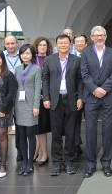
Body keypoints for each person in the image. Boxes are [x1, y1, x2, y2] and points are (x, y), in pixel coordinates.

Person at [43, 34, 84, 176]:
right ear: (56, 45)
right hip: (55, 100)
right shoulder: (49, 60)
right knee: (56, 133)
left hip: (71, 99)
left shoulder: (77, 60)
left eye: (66, 43)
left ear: (70, 44)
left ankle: (69, 161)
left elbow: (80, 80)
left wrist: (80, 98)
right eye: (60, 43)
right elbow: (45, 79)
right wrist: (46, 98)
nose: (63, 45)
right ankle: (56, 162)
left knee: (71, 133)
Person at [81, 26, 112, 178]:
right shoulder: (85, 52)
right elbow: (84, 73)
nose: (99, 38)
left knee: (108, 130)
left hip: (108, 96)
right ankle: (90, 164)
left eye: (102, 35)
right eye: (96, 35)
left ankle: (106, 163)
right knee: (90, 131)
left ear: (105, 36)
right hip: (91, 97)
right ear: (91, 37)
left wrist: (104, 89)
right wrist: (94, 89)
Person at [15, 44, 42, 176]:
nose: (25, 56)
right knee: (21, 136)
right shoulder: (17, 69)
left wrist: (36, 106)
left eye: (28, 53)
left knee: (30, 135)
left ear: (32, 55)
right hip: (19, 105)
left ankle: (30, 163)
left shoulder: (37, 69)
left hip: (31, 105)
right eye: (23, 53)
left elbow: (38, 89)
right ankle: (24, 162)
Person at [33, 37, 52, 166]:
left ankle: (44, 153)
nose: (42, 47)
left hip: (48, 97)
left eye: (44, 45)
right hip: (35, 97)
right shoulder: (32, 60)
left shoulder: (51, 59)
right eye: (40, 45)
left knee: (43, 127)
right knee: (37, 126)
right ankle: (38, 151)